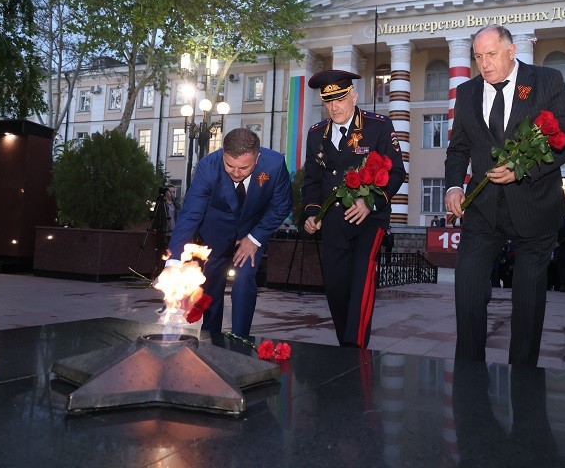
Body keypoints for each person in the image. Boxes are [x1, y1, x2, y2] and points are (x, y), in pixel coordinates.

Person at [444, 24, 565, 367]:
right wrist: (454, 186)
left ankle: (523, 375)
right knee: (469, 289)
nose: (484, 63)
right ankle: (470, 373)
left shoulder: (547, 80)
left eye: (491, 54)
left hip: (534, 206)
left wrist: (524, 169)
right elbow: (458, 148)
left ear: (511, 50)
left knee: (527, 300)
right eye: (478, 56)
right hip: (483, 208)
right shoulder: (466, 92)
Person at [302, 69, 406, 348]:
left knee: (361, 286)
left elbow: (396, 173)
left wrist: (369, 201)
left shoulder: (377, 126)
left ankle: (354, 351)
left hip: (368, 222)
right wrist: (312, 213)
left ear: (354, 96)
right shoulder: (315, 135)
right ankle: (344, 347)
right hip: (333, 223)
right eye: (328, 101)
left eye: (340, 99)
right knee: (336, 292)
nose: (334, 107)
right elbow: (311, 180)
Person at [167, 128, 292, 337]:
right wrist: (173, 261)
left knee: (244, 281)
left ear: (257, 157)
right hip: (216, 234)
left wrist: (254, 238)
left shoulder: (275, 165)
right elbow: (190, 214)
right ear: (223, 153)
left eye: (244, 168)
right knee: (211, 287)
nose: (236, 173)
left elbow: (282, 206)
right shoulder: (208, 166)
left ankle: (239, 339)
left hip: (253, 232)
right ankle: (210, 337)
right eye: (229, 165)